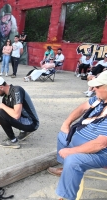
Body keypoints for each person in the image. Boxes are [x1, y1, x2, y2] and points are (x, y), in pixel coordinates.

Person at [47, 71, 107, 200]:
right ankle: (66, 170)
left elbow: (100, 144)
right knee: (63, 135)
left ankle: (67, 197)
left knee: (74, 160)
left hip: (101, 153)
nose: (93, 88)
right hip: (85, 143)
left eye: (97, 86)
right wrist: (66, 123)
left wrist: (71, 151)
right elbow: (81, 108)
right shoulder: (99, 99)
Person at [0, 77, 39, 149]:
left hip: (32, 123)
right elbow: (1, 118)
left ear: (1, 87)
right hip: (25, 120)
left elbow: (16, 115)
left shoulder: (16, 90)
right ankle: (23, 131)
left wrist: (2, 106)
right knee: (1, 113)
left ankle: (14, 141)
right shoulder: (6, 98)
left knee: (0, 112)